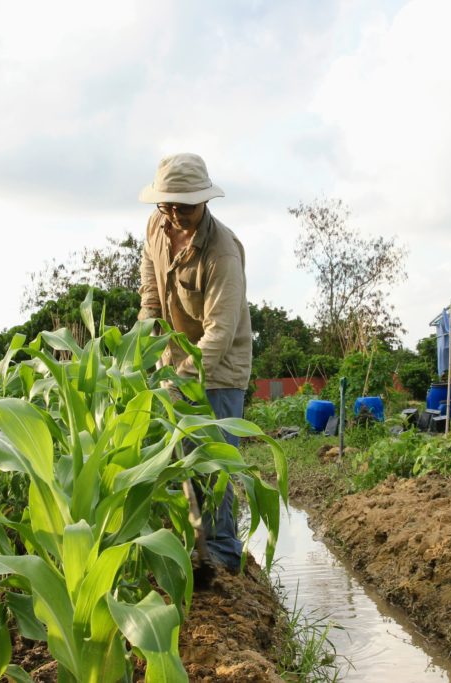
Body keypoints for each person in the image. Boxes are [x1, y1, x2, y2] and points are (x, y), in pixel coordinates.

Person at [137, 153, 252, 571]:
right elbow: (151, 290)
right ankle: (188, 544)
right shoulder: (156, 227)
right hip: (172, 364)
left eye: (183, 206)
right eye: (165, 205)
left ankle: (221, 554)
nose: (172, 215)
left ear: (204, 202)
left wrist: (180, 382)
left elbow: (219, 335)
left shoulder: (222, 253)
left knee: (215, 461)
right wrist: (141, 344)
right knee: (176, 458)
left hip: (218, 371)